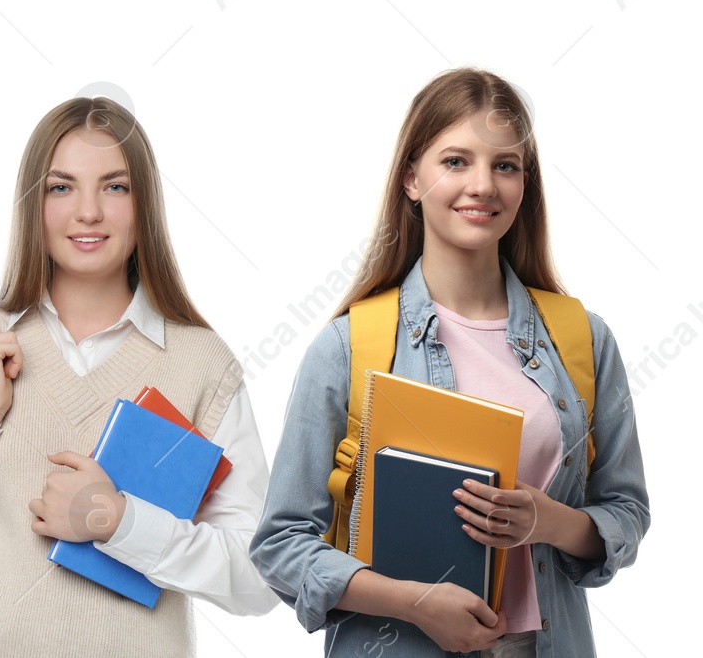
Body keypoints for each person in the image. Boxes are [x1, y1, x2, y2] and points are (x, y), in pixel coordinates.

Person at [249, 67, 650, 657]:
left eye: (505, 165)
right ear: (412, 178)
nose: (483, 185)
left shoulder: (583, 340)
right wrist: (415, 603)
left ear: (524, 184)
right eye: (456, 161)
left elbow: (627, 509)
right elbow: (280, 543)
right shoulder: (347, 347)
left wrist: (550, 521)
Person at [0, 96, 278, 655]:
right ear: (33, 204)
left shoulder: (203, 363)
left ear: (145, 205)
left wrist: (118, 522)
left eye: (115, 187)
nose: (88, 212)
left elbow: (258, 576)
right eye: (61, 187)